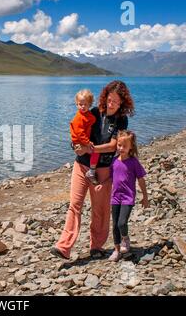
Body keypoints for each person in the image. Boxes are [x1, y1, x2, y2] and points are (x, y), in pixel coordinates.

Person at [51, 80, 135, 260]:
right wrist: (75, 146)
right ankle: (63, 246)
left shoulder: (121, 119)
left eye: (115, 101)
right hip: (81, 166)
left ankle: (96, 246)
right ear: (104, 97)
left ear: (122, 103)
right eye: (109, 99)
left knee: (100, 210)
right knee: (74, 205)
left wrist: (92, 149)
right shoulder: (94, 112)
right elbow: (77, 132)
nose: (111, 104)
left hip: (103, 170)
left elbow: (113, 146)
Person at [95, 130, 149, 262]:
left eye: (124, 146)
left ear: (131, 146)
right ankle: (117, 250)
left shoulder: (133, 162)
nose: (121, 148)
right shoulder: (114, 161)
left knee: (122, 223)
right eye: (119, 145)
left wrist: (145, 196)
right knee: (115, 225)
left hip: (128, 197)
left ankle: (125, 238)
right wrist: (102, 184)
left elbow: (141, 179)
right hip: (115, 197)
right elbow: (111, 178)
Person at [70, 89, 100, 185]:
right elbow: (80, 133)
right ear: (76, 104)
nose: (82, 107)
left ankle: (91, 169)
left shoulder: (87, 114)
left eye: (85, 104)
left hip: (82, 140)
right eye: (80, 104)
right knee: (95, 152)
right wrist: (87, 142)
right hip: (79, 141)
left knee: (94, 152)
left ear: (90, 104)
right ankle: (91, 171)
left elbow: (91, 120)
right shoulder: (79, 118)